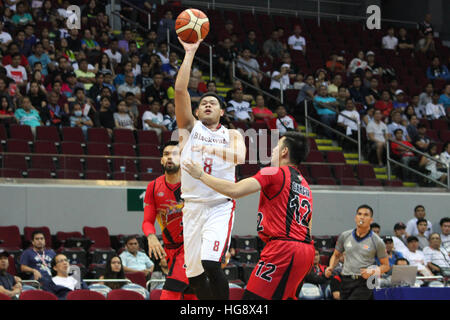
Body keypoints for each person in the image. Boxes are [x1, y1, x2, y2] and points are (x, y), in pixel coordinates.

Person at [183, 131, 315, 300]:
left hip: (283, 249)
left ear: (284, 152)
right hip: (306, 251)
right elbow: (308, 224)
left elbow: (235, 190)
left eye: (276, 146)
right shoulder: (305, 184)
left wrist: (201, 175)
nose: (273, 150)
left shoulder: (273, 172)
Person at [175, 37, 246, 300]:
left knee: (211, 262)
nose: (207, 104)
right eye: (203, 102)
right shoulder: (189, 129)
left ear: (222, 111)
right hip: (192, 206)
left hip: (219, 204)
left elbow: (239, 156)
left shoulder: (232, 133)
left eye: (212, 102)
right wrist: (190, 52)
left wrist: (210, 148)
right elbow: (181, 91)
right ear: (197, 110)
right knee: (193, 275)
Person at [143, 141, 197, 300]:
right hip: (169, 249)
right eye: (166, 154)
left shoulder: (193, 184)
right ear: (161, 160)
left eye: (175, 154)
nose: (170, 157)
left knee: (170, 292)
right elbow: (147, 221)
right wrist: (151, 237)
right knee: (191, 294)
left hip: (191, 246)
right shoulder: (153, 187)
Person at [324, 205, 390, 300]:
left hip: (366, 281)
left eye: (366, 215)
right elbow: (336, 255)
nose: (362, 217)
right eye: (359, 214)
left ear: (371, 220)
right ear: (355, 218)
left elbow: (386, 266)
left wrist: (372, 271)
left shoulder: (377, 241)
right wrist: (331, 267)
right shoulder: (345, 235)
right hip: (346, 280)